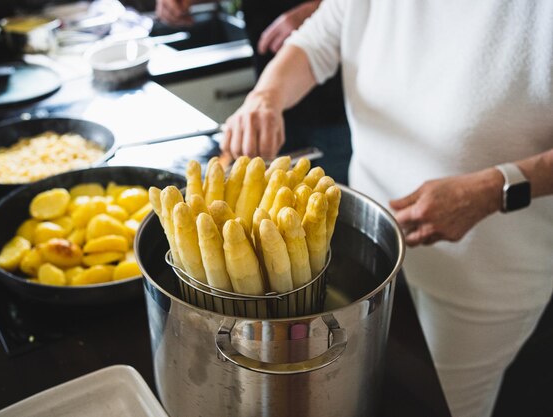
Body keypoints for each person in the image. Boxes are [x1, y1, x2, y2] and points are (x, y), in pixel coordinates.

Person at [220, 2, 553, 417]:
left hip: (481, 278)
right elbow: (317, 40)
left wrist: (493, 188)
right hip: (373, 259)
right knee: (368, 397)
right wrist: (265, 97)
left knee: (435, 406)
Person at [155, 0, 352, 184]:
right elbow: (315, 42)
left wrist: (309, 12)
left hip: (334, 106)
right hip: (278, 85)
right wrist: (265, 98)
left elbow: (329, 28)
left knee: (331, 189)